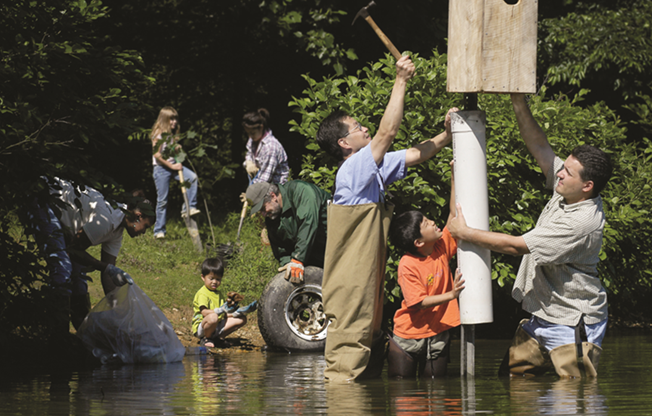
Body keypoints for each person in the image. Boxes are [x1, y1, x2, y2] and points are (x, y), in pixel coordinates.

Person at [448, 94, 614, 377]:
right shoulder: (567, 190)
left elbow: (516, 246)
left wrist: (465, 233)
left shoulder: (582, 222)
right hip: (543, 315)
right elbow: (538, 145)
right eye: (562, 167)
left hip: (573, 321)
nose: (559, 173)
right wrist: (517, 100)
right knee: (514, 382)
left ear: (587, 185)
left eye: (567, 172)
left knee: (575, 398)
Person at [315, 54, 458, 381]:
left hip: (365, 276)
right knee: (348, 351)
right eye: (356, 127)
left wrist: (447, 135)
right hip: (350, 279)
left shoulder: (372, 170)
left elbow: (415, 154)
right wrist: (401, 80)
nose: (363, 128)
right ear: (344, 143)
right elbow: (387, 132)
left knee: (367, 344)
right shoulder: (353, 168)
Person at [27, 177, 156, 330]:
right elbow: (74, 251)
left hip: (65, 225)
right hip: (44, 199)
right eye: (146, 226)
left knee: (80, 282)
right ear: (138, 216)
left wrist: (119, 310)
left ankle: (83, 335)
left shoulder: (117, 232)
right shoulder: (107, 219)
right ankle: (57, 334)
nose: (144, 232)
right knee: (62, 270)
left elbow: (107, 274)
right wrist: (105, 267)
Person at [387, 165, 465, 378]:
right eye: (426, 223)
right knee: (404, 396)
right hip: (409, 336)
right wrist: (451, 295)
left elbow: (452, 213)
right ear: (418, 242)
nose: (432, 222)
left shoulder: (440, 248)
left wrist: (453, 176)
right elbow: (417, 302)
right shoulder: (407, 264)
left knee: (438, 392)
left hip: (439, 330)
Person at [245, 180, 330, 283]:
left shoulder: (301, 191)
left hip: (336, 247)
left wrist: (297, 260)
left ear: (273, 196)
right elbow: (281, 251)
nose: (263, 214)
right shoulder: (272, 216)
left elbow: (308, 224)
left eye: (263, 208)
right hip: (313, 256)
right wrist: (288, 265)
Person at [151, 106, 199, 239]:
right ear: (164, 119)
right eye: (171, 119)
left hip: (173, 166)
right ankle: (159, 231)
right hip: (161, 169)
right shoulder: (159, 134)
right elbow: (157, 155)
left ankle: (188, 208)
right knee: (162, 200)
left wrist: (176, 148)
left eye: (175, 119)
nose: (174, 122)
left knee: (192, 178)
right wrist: (171, 167)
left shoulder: (172, 135)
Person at [192, 258, 255, 348]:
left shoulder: (219, 294)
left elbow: (224, 314)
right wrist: (220, 310)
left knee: (242, 319)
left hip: (216, 323)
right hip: (203, 326)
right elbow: (204, 312)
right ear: (203, 277)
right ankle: (206, 338)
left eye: (218, 279)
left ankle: (218, 338)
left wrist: (239, 312)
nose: (215, 282)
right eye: (211, 278)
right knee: (214, 317)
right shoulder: (202, 293)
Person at [242, 108, 290, 185]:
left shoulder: (271, 147)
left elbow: (264, 179)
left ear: (261, 127)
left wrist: (250, 195)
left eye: (252, 133)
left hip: (276, 191)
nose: (250, 136)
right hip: (260, 187)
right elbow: (249, 154)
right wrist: (248, 162)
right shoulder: (253, 140)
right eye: (248, 133)